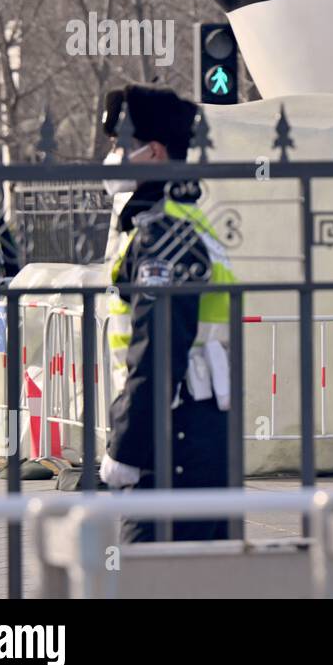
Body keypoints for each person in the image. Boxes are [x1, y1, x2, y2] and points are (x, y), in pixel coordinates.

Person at [98, 83, 237, 543]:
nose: (113, 158)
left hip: (173, 437)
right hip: (200, 430)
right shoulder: (186, 218)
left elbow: (156, 351)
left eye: (120, 146)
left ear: (153, 152)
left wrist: (127, 447)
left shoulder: (163, 233)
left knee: (149, 579)